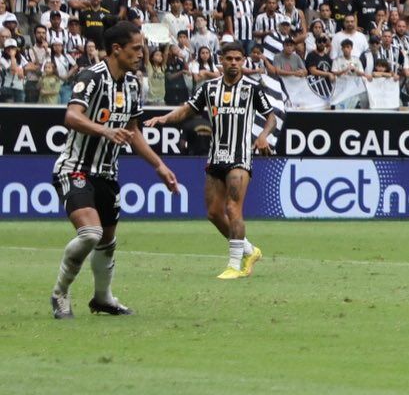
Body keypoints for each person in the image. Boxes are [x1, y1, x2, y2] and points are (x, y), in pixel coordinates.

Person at [50, 22, 179, 320]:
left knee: (107, 241)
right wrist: (105, 131)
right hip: (75, 168)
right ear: (117, 49)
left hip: (107, 173)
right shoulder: (91, 77)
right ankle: (60, 293)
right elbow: (71, 116)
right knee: (91, 233)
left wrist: (159, 166)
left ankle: (102, 298)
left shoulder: (133, 84)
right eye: (136, 48)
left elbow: (133, 132)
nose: (141, 53)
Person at [146, 43, 276, 280]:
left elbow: (271, 117)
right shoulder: (209, 88)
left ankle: (235, 265)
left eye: (238, 58)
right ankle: (249, 250)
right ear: (221, 61)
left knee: (232, 208)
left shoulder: (252, 89)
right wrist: (164, 118)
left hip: (240, 156)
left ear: (244, 61)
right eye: (229, 58)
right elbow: (187, 109)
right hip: (216, 156)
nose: (234, 63)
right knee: (214, 213)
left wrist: (263, 136)